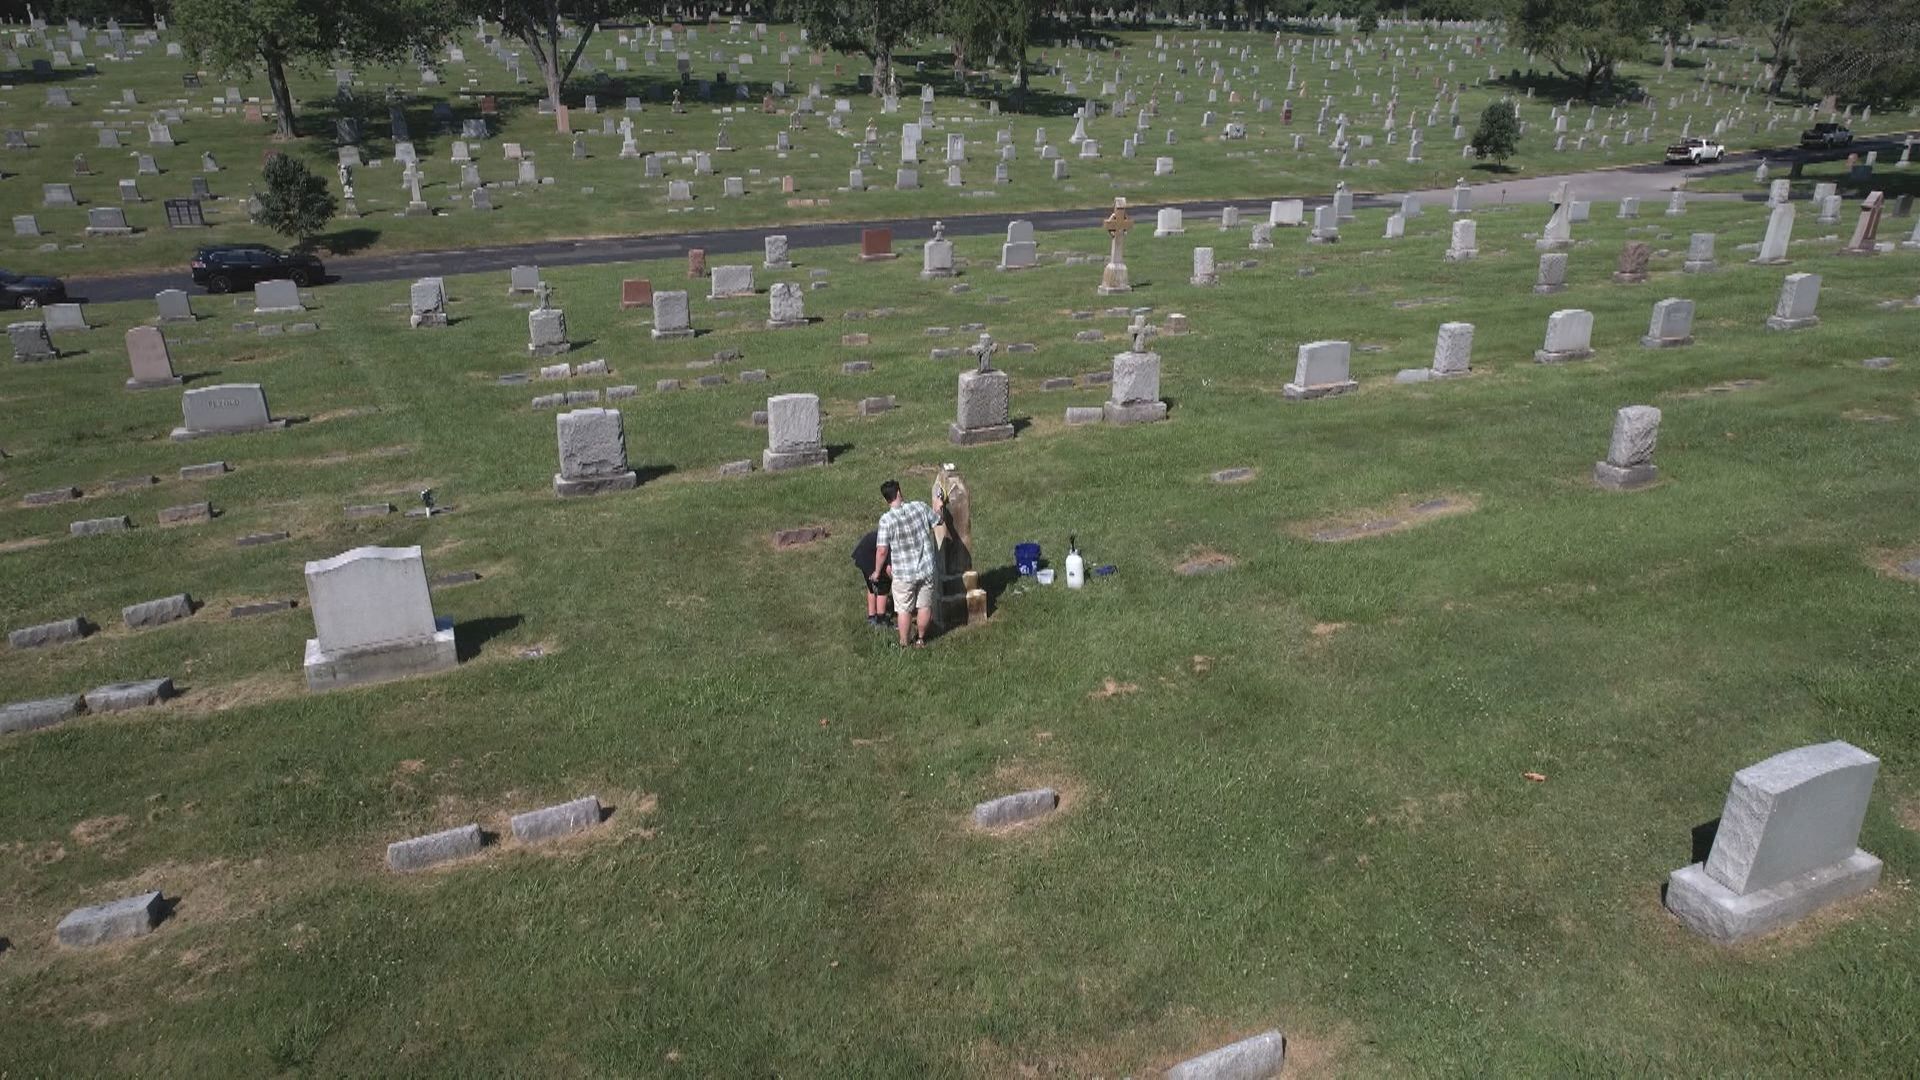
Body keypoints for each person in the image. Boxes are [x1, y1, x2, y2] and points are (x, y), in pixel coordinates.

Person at [872, 478, 944, 648]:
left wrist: (876, 571)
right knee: (924, 606)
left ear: (886, 499)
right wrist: (939, 506)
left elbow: (882, 551)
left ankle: (904, 643)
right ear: (899, 492)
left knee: (904, 609)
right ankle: (920, 639)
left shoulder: (886, 520)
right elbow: (938, 520)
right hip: (925, 569)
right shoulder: (919, 507)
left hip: (904, 575)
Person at [851, 529, 890, 629]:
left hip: (863, 552)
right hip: (869, 555)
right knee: (884, 584)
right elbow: (890, 568)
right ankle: (881, 621)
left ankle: (872, 617)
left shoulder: (890, 533)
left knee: (871, 586)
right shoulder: (894, 543)